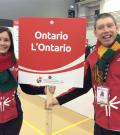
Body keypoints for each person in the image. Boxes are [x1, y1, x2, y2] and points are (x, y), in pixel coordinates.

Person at [49, 13, 120, 135]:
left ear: (116, 28)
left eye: (109, 26)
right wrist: (58, 100)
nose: (106, 30)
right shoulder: (92, 57)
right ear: (95, 32)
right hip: (100, 123)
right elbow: (83, 85)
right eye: (101, 27)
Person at [0, 26, 47, 135]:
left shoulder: (16, 64)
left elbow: (26, 88)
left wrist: (44, 89)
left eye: (6, 40)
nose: (2, 43)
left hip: (13, 118)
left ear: (11, 43)